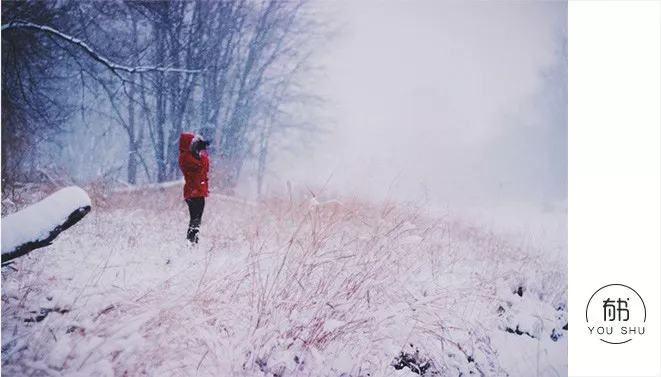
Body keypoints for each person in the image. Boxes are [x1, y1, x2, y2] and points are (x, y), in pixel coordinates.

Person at [178, 132, 210, 245]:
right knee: (195, 220)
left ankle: (192, 243)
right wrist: (203, 152)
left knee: (196, 221)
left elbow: (204, 170)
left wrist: (200, 152)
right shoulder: (185, 157)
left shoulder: (189, 156)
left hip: (196, 192)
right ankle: (191, 243)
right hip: (194, 193)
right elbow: (202, 166)